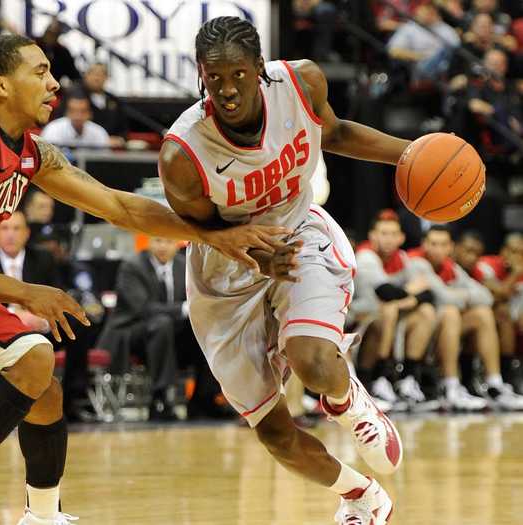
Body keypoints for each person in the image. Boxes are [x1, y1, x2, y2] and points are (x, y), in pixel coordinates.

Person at [0, 33, 284, 525]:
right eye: (38, 72)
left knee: (44, 388)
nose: (54, 83)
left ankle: (43, 516)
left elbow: (119, 205)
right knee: (31, 353)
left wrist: (215, 235)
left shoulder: (32, 152)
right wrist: (30, 292)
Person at [158, 16, 408, 524]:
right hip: (224, 274)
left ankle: (347, 399)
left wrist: (411, 154)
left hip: (297, 239)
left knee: (314, 363)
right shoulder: (182, 154)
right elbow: (199, 231)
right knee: (274, 433)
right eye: (214, 77)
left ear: (259, 69)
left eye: (238, 75)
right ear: (200, 74)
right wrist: (246, 250)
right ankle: (362, 495)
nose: (227, 90)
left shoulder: (302, 82)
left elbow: (335, 133)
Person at [0, 210, 94, 422]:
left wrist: (42, 318)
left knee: (79, 324)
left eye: (16, 228)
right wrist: (15, 315)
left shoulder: (43, 258)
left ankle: (73, 400)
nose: (10, 234)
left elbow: (56, 294)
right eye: (4, 228)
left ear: (27, 233)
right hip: (1, 332)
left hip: (40, 329)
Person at [98, 237, 224, 421]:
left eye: (168, 241)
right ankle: (160, 398)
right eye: (158, 241)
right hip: (131, 332)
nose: (163, 246)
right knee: (161, 324)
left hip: (169, 334)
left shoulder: (185, 266)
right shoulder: (132, 266)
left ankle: (203, 399)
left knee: (206, 326)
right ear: (148, 243)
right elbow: (142, 309)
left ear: (177, 244)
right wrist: (183, 308)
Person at [409, 225, 523, 410]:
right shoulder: (416, 262)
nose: (438, 249)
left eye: (443, 244)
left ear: (450, 247)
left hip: (441, 330)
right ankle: (450, 386)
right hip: (414, 331)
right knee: (450, 312)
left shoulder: (451, 267)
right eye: (433, 244)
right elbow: (442, 298)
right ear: (425, 245)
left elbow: (485, 297)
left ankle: (494, 384)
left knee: (482, 314)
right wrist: (463, 296)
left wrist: (457, 295)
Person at [352, 210, 437, 411]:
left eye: (393, 234)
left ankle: (407, 380)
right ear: (372, 236)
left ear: (402, 238)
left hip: (384, 320)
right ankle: (375, 379)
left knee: (426, 312)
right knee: (389, 309)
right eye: (383, 233)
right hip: (354, 319)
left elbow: (428, 293)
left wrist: (407, 299)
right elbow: (386, 292)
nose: (388, 239)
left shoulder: (402, 258)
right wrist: (410, 293)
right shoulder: (365, 256)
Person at [41, 92, 110, 149]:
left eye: (83, 111)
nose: (78, 116)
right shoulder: (53, 129)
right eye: (73, 111)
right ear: (66, 113)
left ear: (90, 114)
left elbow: (105, 161)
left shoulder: (99, 132)